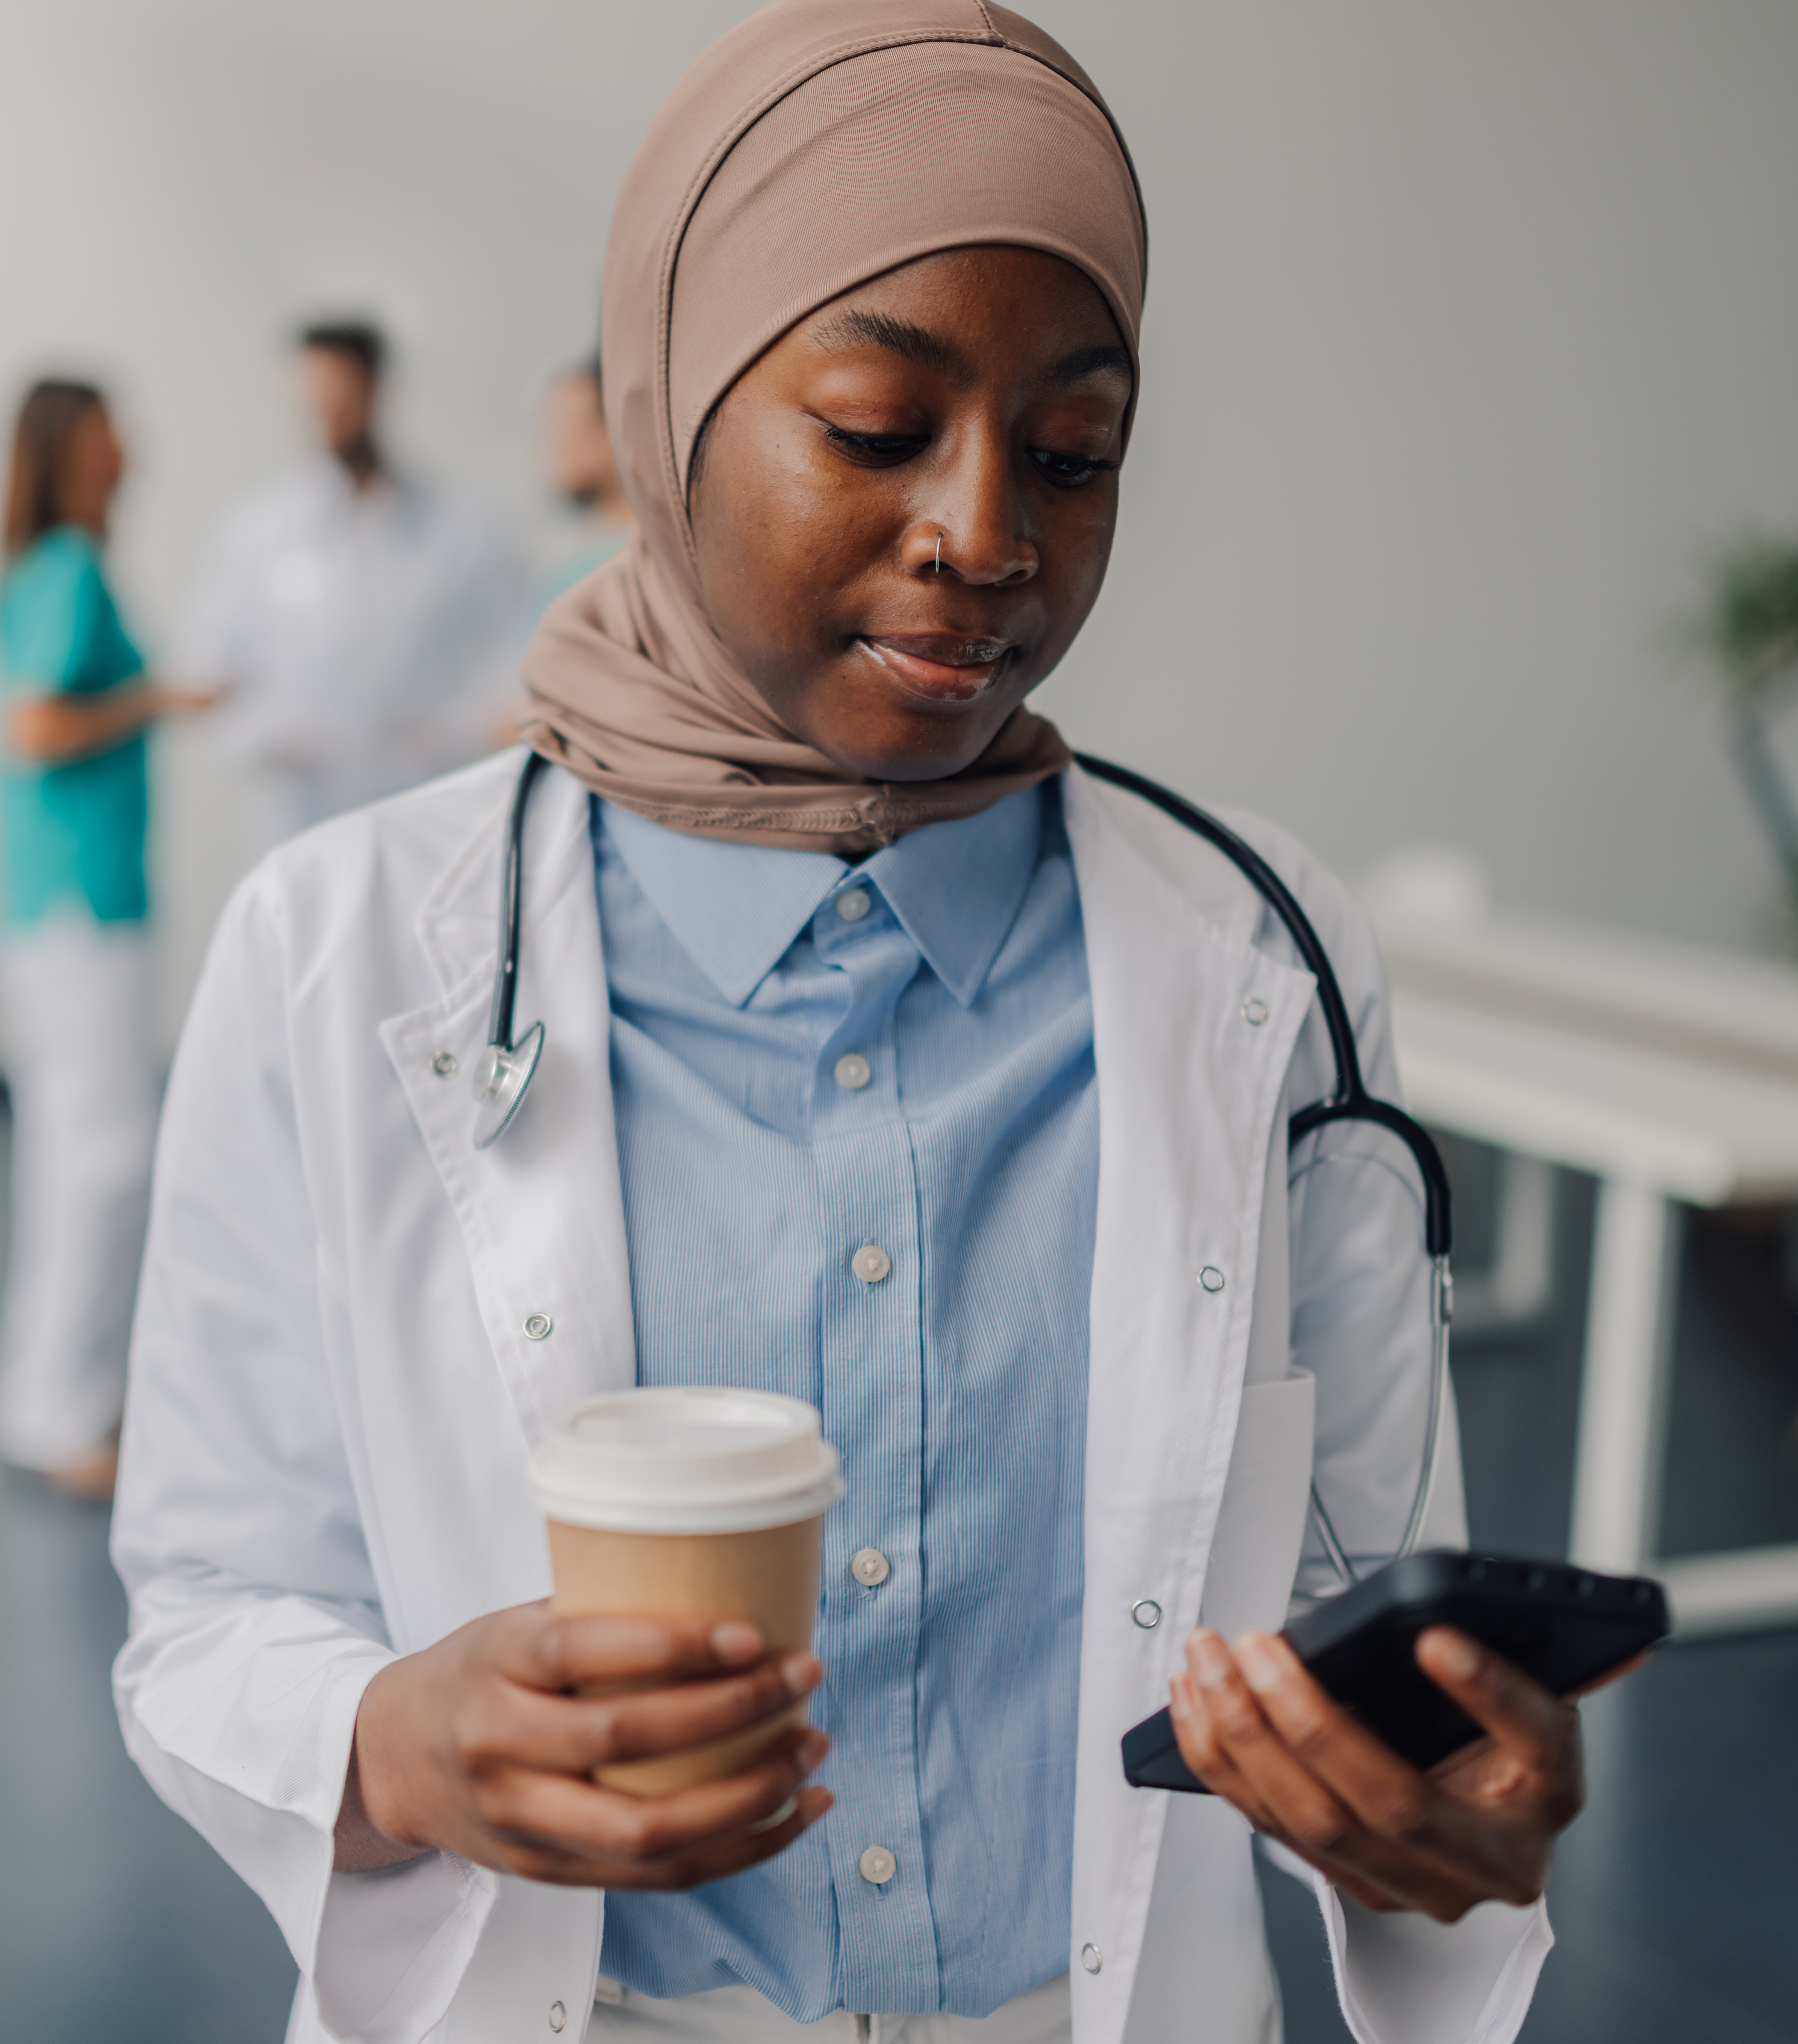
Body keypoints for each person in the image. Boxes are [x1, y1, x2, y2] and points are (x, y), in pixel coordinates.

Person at [112, 6, 1630, 2041]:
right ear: (671, 403)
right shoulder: (338, 941)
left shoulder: (1262, 953)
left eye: (1074, 451)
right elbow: (209, 1610)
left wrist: (1437, 1801)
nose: (988, 535)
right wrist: (391, 1745)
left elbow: (1359, 1613)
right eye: (873, 424)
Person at [0, 380, 213, 1497]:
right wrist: (159, 699)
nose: (129, 444)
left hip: (50, 900)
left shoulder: (40, 567)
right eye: (109, 429)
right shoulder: (70, 567)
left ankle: (43, 1395)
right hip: (79, 900)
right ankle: (63, 1411)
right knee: (106, 1153)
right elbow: (35, 724)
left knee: (62, 1150)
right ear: (74, 447)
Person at [179, 319, 528, 854]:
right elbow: (209, 675)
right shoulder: (254, 531)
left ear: (376, 390)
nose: (329, 410)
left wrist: (451, 732)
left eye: (342, 391)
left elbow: (518, 661)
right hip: (301, 817)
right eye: (315, 395)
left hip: (426, 812)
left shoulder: (464, 529)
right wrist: (276, 737)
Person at [539, 358, 634, 609]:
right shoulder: (572, 568)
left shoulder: (637, 563)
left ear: (614, 430)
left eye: (571, 427)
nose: (558, 447)